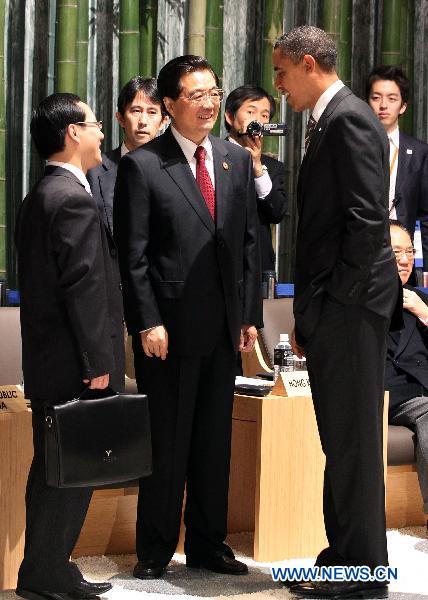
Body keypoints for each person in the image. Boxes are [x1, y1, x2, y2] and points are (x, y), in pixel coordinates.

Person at [114, 55, 262, 579]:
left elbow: (248, 245)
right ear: (170, 104)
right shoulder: (144, 165)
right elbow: (132, 256)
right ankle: (154, 550)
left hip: (223, 330)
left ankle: (208, 544)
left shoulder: (234, 159)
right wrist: (147, 321)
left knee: (212, 446)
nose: (208, 102)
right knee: (167, 445)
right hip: (168, 333)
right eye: (195, 94)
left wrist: (249, 316)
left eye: (213, 92)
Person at [273, 26, 400, 599]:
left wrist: (334, 304)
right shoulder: (331, 118)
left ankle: (364, 569)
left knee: (352, 442)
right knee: (341, 438)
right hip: (335, 308)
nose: (278, 86)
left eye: (281, 72)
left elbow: (367, 222)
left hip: (349, 309)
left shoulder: (349, 117)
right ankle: (344, 552)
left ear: (307, 63)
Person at [15, 93, 125, 600]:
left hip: (52, 362)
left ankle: (42, 569)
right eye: (96, 123)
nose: (103, 132)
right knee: (70, 472)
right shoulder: (72, 198)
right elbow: (83, 288)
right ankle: (48, 572)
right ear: (72, 133)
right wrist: (98, 362)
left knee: (53, 470)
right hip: (76, 367)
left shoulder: (42, 193)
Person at [366, 65, 428, 277]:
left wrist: (423, 268)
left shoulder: (419, 152)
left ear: (403, 106)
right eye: (376, 97)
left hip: (402, 256)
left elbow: (425, 217)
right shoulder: (352, 147)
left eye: (392, 99)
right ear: (367, 102)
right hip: (360, 252)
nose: (383, 105)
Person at [87, 76, 168, 234]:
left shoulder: (177, 169)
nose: (143, 121)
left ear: (164, 121)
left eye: (152, 112)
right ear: (121, 118)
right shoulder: (93, 170)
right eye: (136, 111)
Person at [387, 220, 428, 524]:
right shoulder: (360, 301)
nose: (404, 260)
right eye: (396, 251)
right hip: (393, 395)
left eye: (410, 252)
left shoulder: (421, 298)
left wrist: (423, 311)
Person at [224, 85, 287, 273]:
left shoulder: (273, 167)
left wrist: (258, 169)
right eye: (251, 112)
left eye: (264, 115)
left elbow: (277, 213)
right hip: (219, 260)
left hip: (258, 265)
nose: (258, 120)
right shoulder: (211, 155)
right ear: (229, 116)